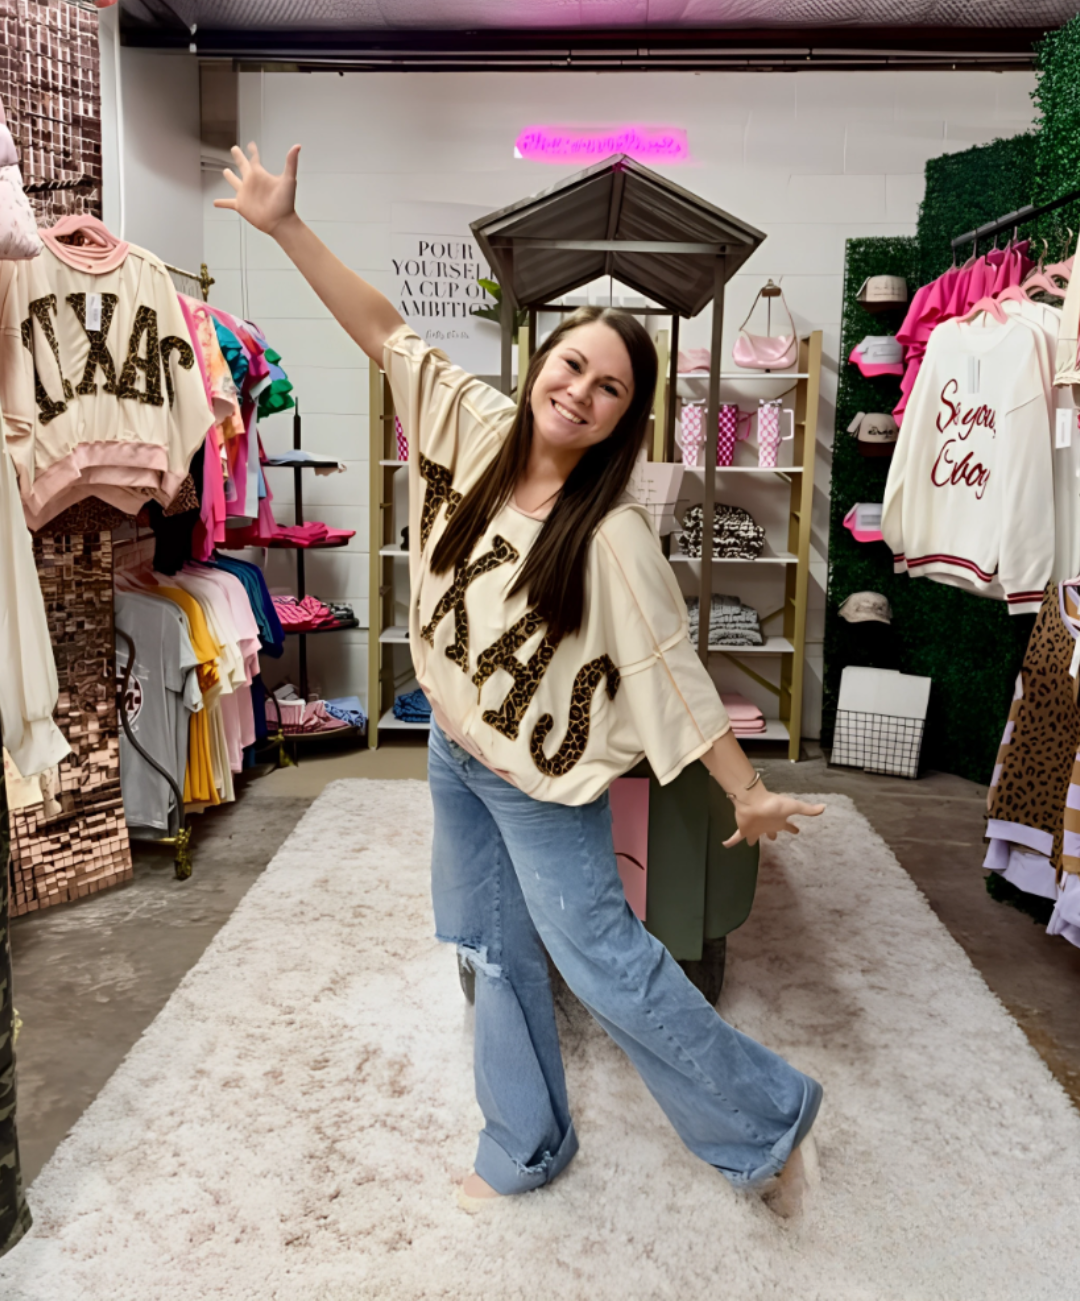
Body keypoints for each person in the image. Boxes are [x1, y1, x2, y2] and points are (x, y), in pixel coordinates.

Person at [217, 143, 827, 1218]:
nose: (580, 391)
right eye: (571, 365)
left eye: (610, 388)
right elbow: (383, 331)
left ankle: (770, 1121)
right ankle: (527, 1141)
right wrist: (283, 228)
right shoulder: (475, 426)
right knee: (488, 949)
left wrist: (747, 790)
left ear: (626, 417)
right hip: (454, 747)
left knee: (607, 966)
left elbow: (668, 672)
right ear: (539, 358)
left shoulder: (615, 538)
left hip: (545, 790)